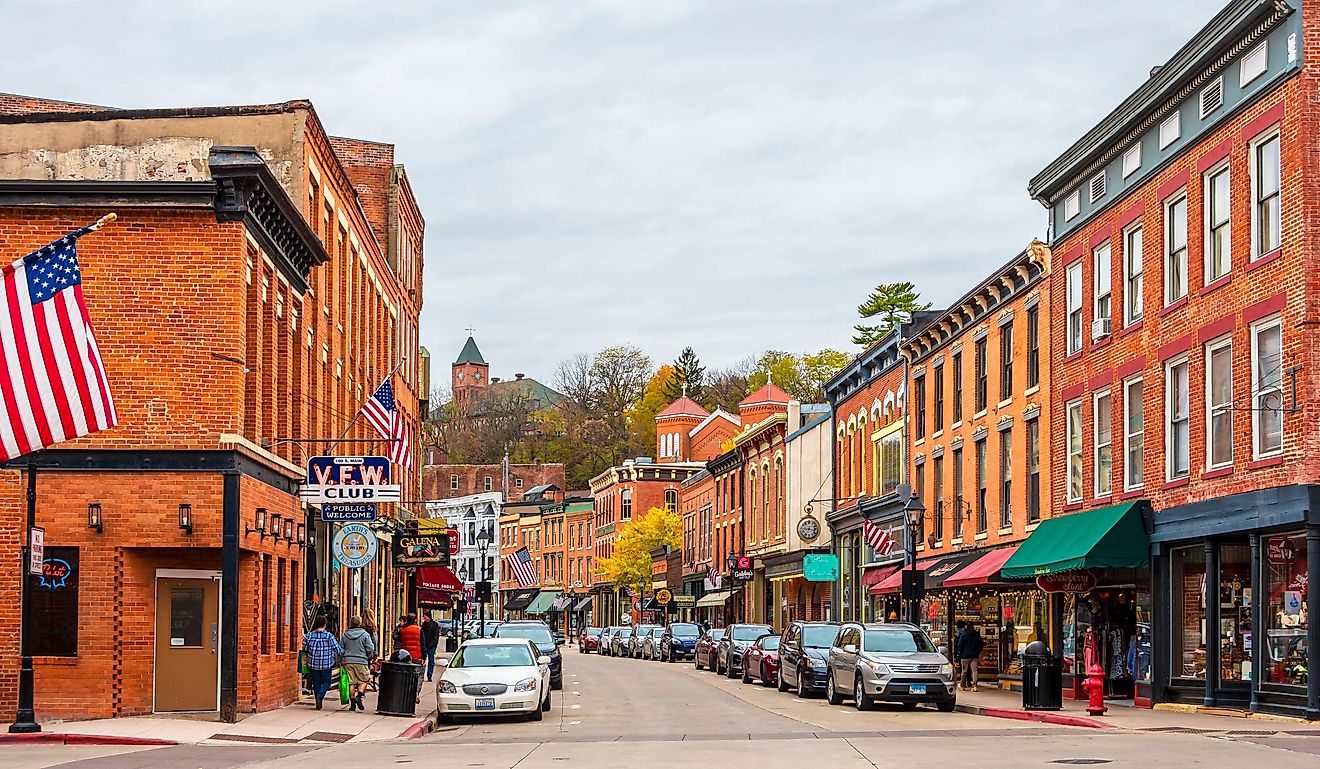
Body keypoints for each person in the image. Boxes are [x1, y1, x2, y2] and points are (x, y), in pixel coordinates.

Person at [302, 614, 342, 710]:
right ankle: (320, 696)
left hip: (313, 663)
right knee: (327, 682)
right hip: (326, 664)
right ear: (325, 624)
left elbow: (305, 648)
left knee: (316, 683)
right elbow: (337, 649)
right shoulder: (329, 636)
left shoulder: (310, 635)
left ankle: (317, 700)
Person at [340, 616, 377, 712]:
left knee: (351, 682)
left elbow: (341, 648)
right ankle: (359, 697)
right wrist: (367, 656)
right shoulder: (364, 634)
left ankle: (352, 704)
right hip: (361, 660)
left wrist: (343, 657)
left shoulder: (345, 635)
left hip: (348, 661)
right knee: (365, 679)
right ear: (360, 623)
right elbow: (370, 648)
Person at [397, 613, 425, 703]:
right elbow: (423, 644)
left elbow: (399, 640)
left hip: (405, 656)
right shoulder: (419, 630)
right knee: (419, 675)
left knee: (406, 675)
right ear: (415, 620)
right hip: (417, 656)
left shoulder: (402, 630)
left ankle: (405, 693)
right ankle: (415, 692)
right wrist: (424, 657)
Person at [957, 623, 985, 692]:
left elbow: (960, 646)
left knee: (964, 671)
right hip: (974, 656)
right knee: (975, 671)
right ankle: (975, 685)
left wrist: (961, 652)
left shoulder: (964, 635)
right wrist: (977, 652)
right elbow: (981, 645)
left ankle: (962, 685)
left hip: (965, 656)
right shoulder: (977, 635)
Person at [421, 611, 441, 682]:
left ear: (428, 616)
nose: (423, 618)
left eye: (424, 616)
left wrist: (432, 644)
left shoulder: (434, 625)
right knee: (423, 660)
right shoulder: (423, 625)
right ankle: (422, 674)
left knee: (431, 661)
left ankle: (429, 675)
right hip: (424, 645)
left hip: (431, 646)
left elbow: (435, 636)